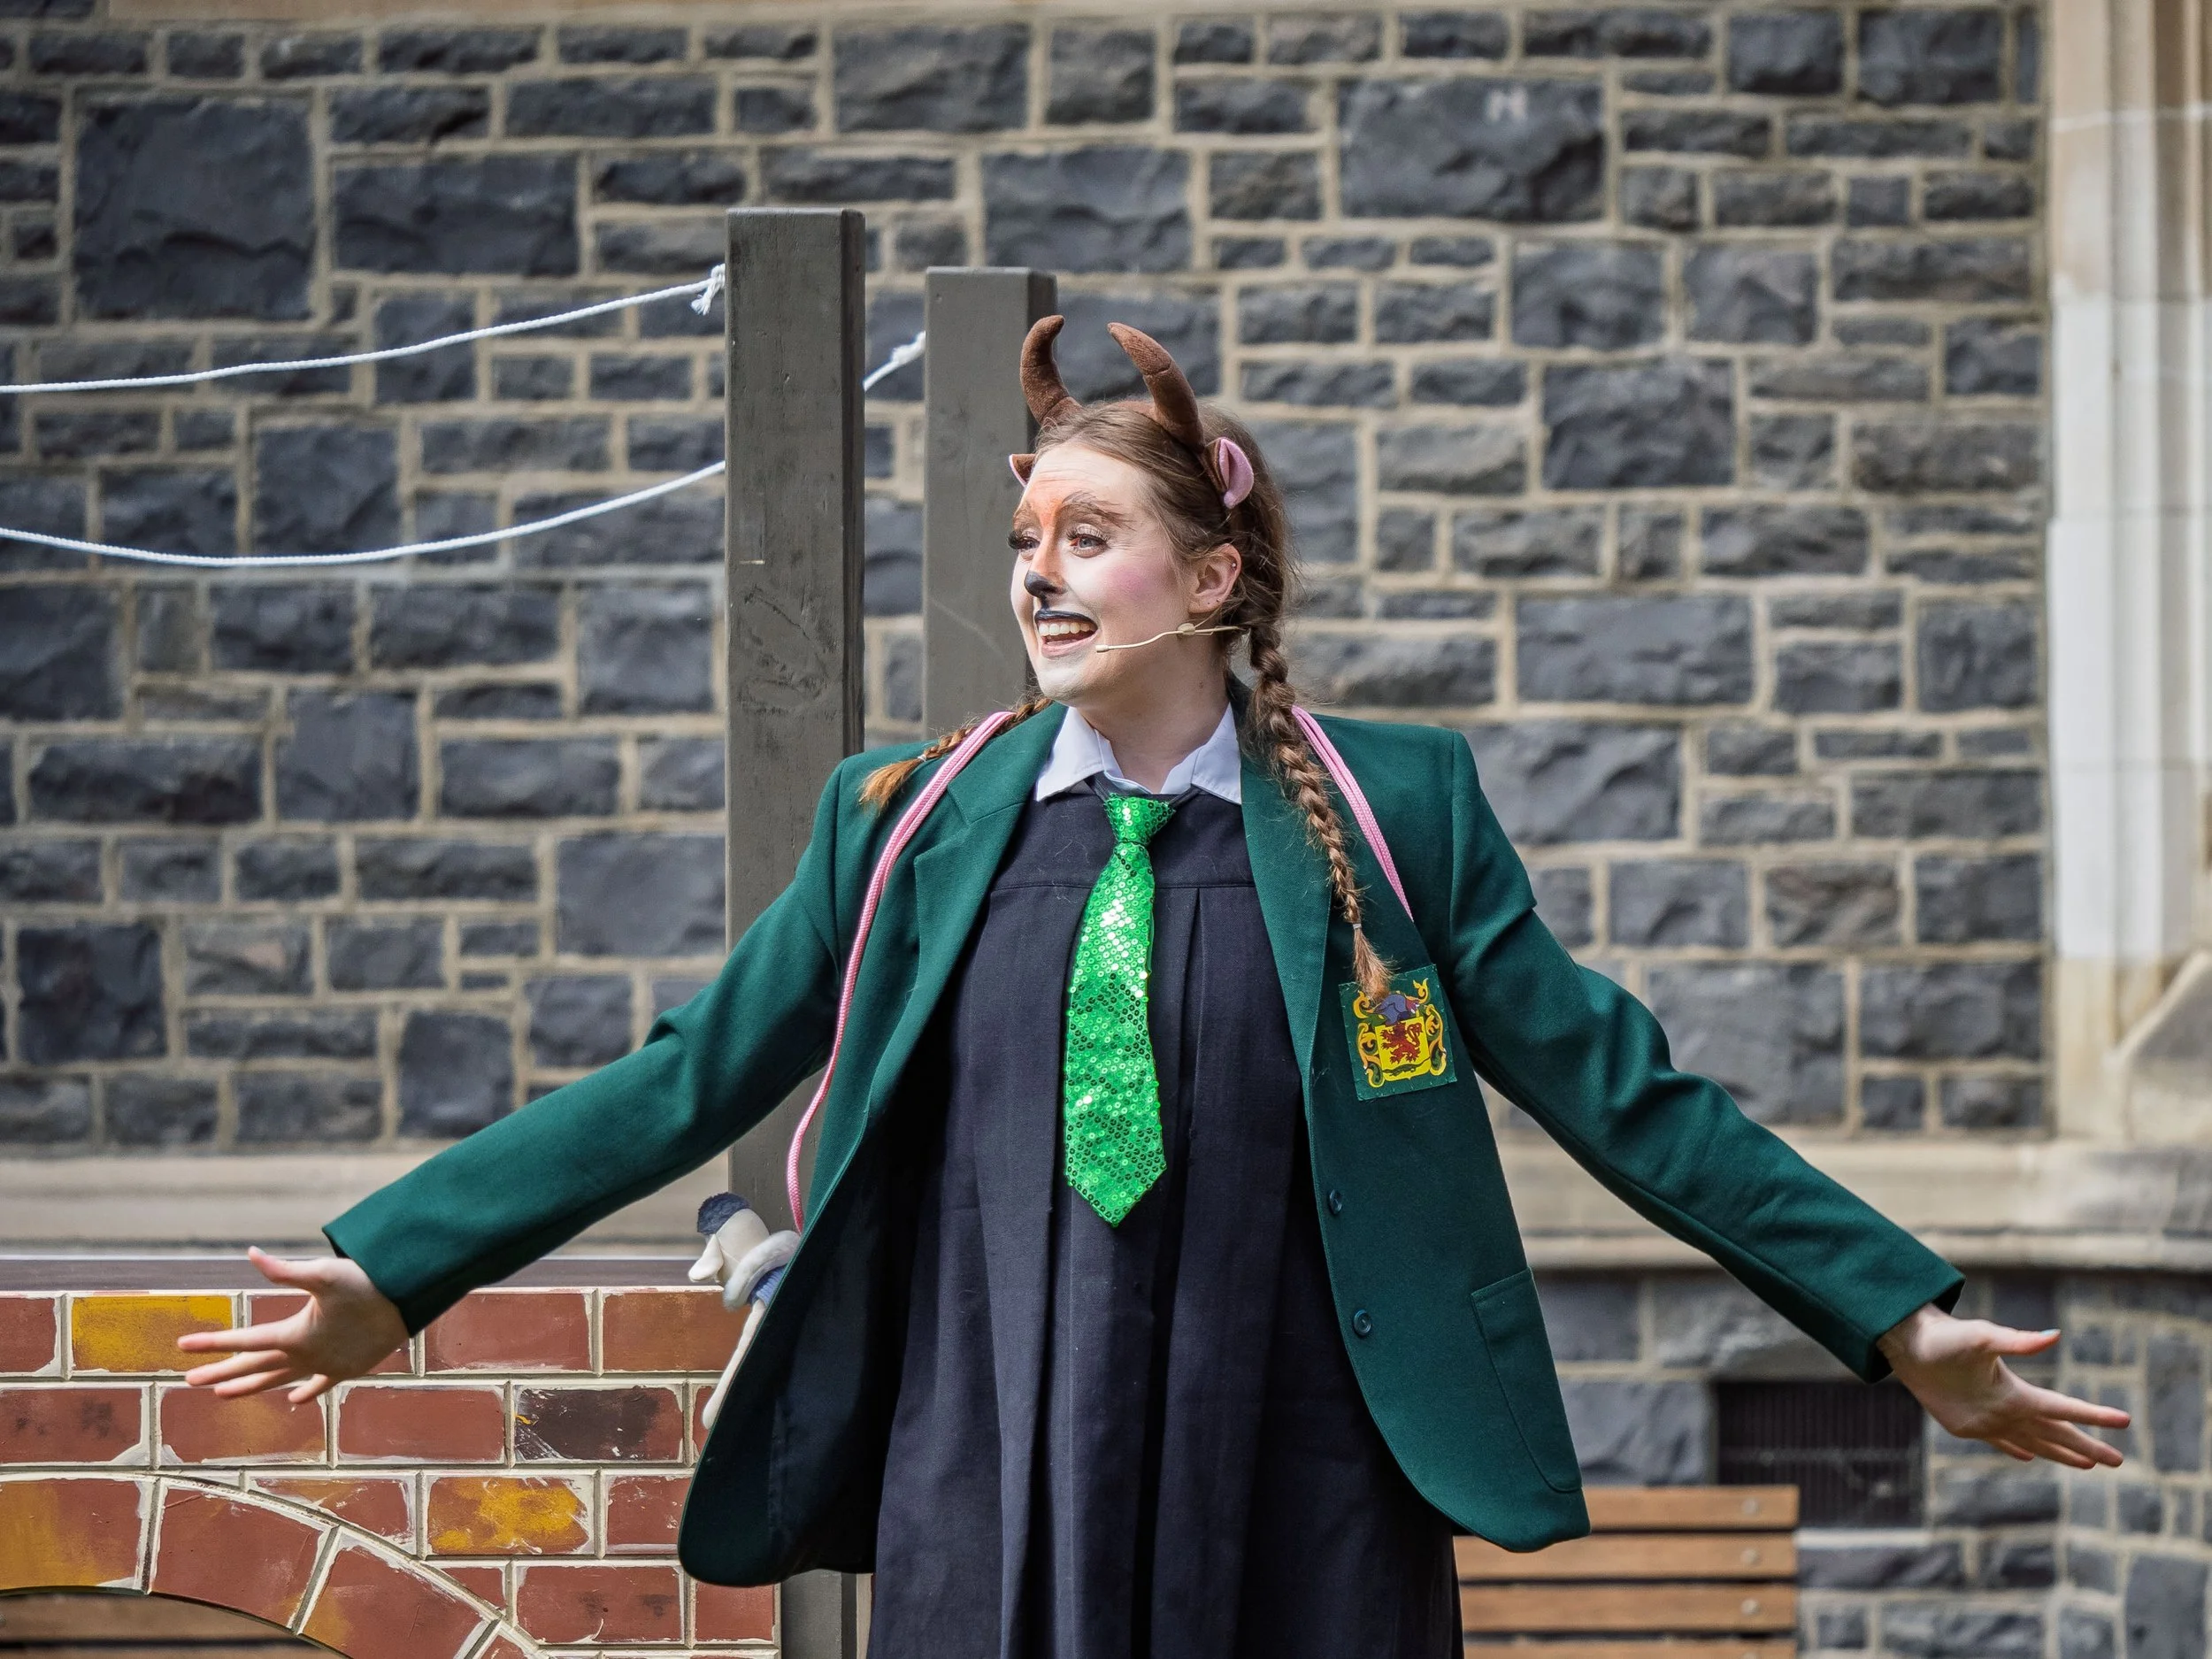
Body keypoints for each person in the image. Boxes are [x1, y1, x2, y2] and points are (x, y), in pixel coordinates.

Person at [180, 318, 2127, 1659]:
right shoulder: (905, 821)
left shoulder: (1391, 816)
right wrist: (396, 1265)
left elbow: (1626, 1095)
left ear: (1204, 583)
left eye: (1084, 540)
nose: (1035, 578)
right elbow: (687, 1076)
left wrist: (1896, 1320)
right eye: (1021, 540)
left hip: (1297, 1457)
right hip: (983, 1444)